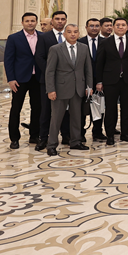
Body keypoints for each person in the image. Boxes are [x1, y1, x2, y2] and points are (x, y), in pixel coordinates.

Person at [44, 24, 93, 156]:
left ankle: (75, 142)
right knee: (56, 119)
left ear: (78, 34)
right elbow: (50, 71)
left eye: (75, 32)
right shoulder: (55, 49)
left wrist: (89, 87)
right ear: (64, 34)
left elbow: (88, 69)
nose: (73, 34)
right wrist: (50, 89)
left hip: (78, 89)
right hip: (60, 89)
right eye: (70, 32)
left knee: (77, 117)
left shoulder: (84, 48)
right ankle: (52, 145)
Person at [95, 18, 128, 145]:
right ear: (113, 27)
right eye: (118, 25)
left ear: (127, 27)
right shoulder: (105, 42)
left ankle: (125, 134)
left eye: (123, 25)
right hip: (110, 81)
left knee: (127, 108)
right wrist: (99, 81)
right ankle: (110, 135)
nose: (120, 27)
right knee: (110, 109)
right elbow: (99, 63)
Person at [5, 12, 44, 149]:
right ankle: (14, 138)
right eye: (27, 21)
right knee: (16, 108)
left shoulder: (43, 37)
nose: (30, 23)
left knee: (37, 108)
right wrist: (11, 79)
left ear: (36, 22)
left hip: (37, 78)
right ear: (22, 23)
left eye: (32, 21)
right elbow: (8, 60)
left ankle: (34, 135)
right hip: (19, 79)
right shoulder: (14, 38)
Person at [35, 10, 70, 151]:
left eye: (63, 19)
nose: (60, 21)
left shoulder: (70, 36)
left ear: (66, 21)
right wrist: (52, 72)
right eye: (57, 19)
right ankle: (43, 138)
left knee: (66, 110)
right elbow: (39, 57)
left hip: (66, 81)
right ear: (52, 21)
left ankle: (66, 135)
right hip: (48, 80)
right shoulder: (44, 37)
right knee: (46, 111)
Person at [77, 18, 107, 142]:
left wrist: (101, 80)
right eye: (91, 26)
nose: (94, 28)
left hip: (100, 80)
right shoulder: (79, 42)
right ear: (86, 27)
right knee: (81, 107)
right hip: (82, 80)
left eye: (97, 26)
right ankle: (80, 133)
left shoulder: (106, 42)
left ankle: (97, 131)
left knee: (99, 107)